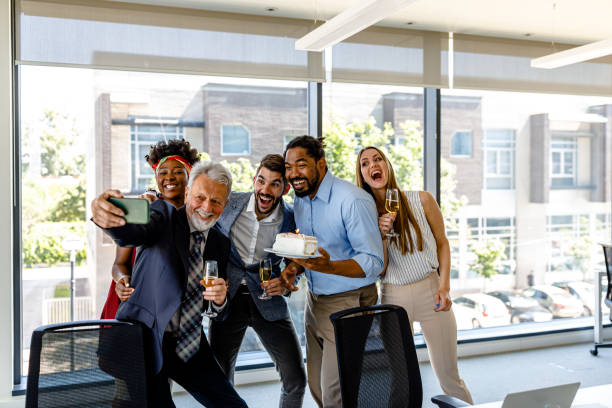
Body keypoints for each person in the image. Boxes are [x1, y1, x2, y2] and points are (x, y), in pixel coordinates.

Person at [91, 161, 247, 408]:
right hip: (144, 339)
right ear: (187, 194)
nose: (207, 207)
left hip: (188, 341)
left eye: (216, 201)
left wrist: (219, 300)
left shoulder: (220, 243)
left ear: (225, 205)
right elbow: (131, 233)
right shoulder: (163, 215)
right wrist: (108, 220)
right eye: (200, 197)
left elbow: (218, 310)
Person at [356, 146, 473, 404]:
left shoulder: (422, 200)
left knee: (449, 377)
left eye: (378, 159)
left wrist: (444, 287)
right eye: (365, 163)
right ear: (362, 175)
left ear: (387, 165)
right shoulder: (364, 217)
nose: (372, 165)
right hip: (393, 298)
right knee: (402, 381)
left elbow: (442, 242)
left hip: (431, 291)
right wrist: (383, 236)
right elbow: (381, 270)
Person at [280, 136, 384, 408]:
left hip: (350, 300)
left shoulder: (352, 200)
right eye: (288, 167)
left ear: (321, 164)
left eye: (300, 165)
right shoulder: (301, 199)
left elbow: (374, 262)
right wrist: (294, 266)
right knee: (316, 387)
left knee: (335, 394)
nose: (293, 174)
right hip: (315, 301)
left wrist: (330, 267)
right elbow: (313, 249)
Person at [210, 154, 306, 408]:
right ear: (254, 180)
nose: (265, 190)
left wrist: (286, 282)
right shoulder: (230, 204)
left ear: (284, 188)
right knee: (219, 380)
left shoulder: (291, 217)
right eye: (261, 181)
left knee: (295, 378)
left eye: (275, 184)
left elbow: (299, 259)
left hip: (268, 300)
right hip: (227, 302)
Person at [100, 139, 200, 318]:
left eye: (178, 171)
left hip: (172, 313)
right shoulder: (143, 208)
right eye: (162, 172)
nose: (169, 177)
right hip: (132, 304)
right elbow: (119, 264)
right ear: (156, 177)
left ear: (189, 176)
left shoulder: (195, 217)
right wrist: (121, 280)